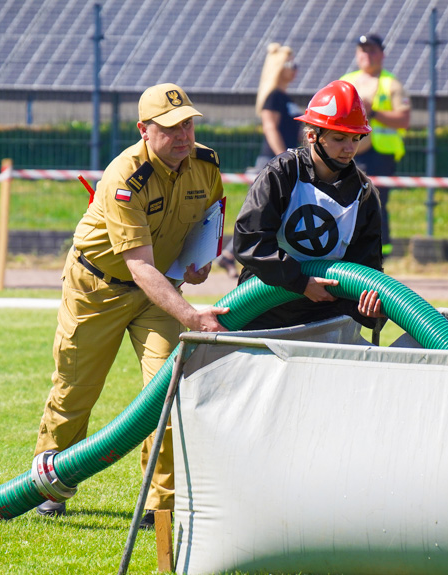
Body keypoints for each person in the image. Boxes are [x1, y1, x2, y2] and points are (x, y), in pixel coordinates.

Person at [33, 83, 229, 527]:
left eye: (189, 124)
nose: (184, 135)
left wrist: (199, 259)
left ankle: (161, 507)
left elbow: (211, 213)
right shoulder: (125, 175)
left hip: (159, 288)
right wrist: (193, 316)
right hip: (98, 288)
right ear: (144, 130)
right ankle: (50, 487)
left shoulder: (205, 163)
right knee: (75, 390)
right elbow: (139, 267)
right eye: (171, 127)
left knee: (167, 390)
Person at [233, 80, 384, 330]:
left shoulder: (364, 195)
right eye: (339, 138)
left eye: (356, 138)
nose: (349, 149)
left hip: (326, 319)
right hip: (264, 311)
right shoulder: (281, 174)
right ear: (312, 135)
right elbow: (251, 242)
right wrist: (301, 282)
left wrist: (370, 307)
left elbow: (366, 269)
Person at [216, 42, 302, 279]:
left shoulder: (286, 97)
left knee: (271, 214)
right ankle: (237, 255)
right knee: (261, 213)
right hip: (273, 159)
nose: (295, 68)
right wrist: (283, 156)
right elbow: (270, 127)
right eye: (289, 64)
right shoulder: (273, 97)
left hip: (283, 158)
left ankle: (229, 255)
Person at [340, 33, 410, 258]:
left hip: (381, 155)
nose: (367, 55)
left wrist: (374, 112)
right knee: (347, 201)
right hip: (351, 152)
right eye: (363, 50)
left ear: (382, 54)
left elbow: (404, 119)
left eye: (372, 50)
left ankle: (381, 252)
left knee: (376, 202)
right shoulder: (346, 81)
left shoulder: (392, 83)